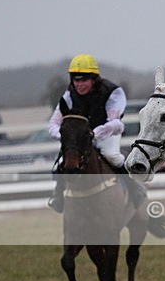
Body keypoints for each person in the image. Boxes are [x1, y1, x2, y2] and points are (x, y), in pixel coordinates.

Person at [47, 54, 145, 212]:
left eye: (84, 80)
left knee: (112, 155)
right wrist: (65, 135)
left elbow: (116, 123)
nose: (79, 84)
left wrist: (96, 132)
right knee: (62, 161)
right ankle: (58, 195)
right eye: (76, 80)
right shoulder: (69, 94)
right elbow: (53, 123)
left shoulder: (112, 92)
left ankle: (135, 189)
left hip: (107, 132)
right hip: (80, 136)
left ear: (94, 79)